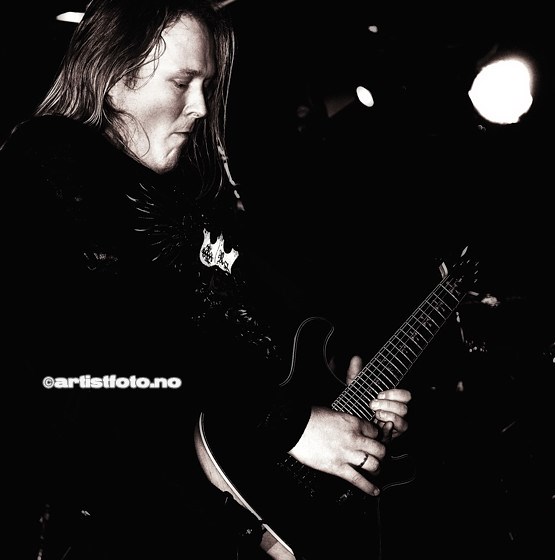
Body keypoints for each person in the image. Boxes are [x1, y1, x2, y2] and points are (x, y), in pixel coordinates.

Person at [3, 1, 413, 559]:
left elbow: (238, 350)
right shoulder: (47, 164)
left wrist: (341, 405)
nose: (199, 106)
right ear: (113, 74)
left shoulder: (189, 202)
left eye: (206, 85)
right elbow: (100, 369)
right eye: (181, 82)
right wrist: (290, 425)